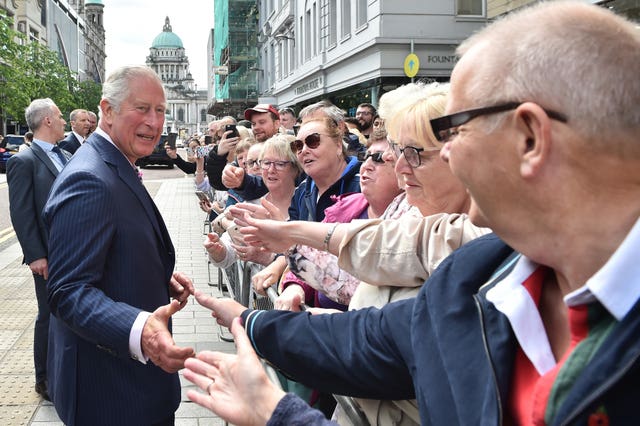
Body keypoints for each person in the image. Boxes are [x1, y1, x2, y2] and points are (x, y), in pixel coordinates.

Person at [185, 2, 640, 425]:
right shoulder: (477, 275)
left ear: (529, 139)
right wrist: (250, 324)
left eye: (452, 130)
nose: (447, 157)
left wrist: (276, 410)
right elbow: (362, 341)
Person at [43, 65, 195, 426]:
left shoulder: (116, 162)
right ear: (107, 110)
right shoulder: (89, 178)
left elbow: (112, 247)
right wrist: (140, 329)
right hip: (112, 395)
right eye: (141, 108)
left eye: (160, 110)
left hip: (133, 388)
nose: (154, 122)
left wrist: (156, 274)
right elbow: (68, 291)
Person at [6, 98, 69, 402]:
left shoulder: (66, 154)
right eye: (59, 117)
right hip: (48, 254)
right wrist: (36, 255)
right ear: (46, 121)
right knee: (48, 314)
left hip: (72, 250)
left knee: (66, 312)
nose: (63, 121)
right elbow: (21, 212)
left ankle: (65, 369)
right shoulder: (24, 160)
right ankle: (43, 379)